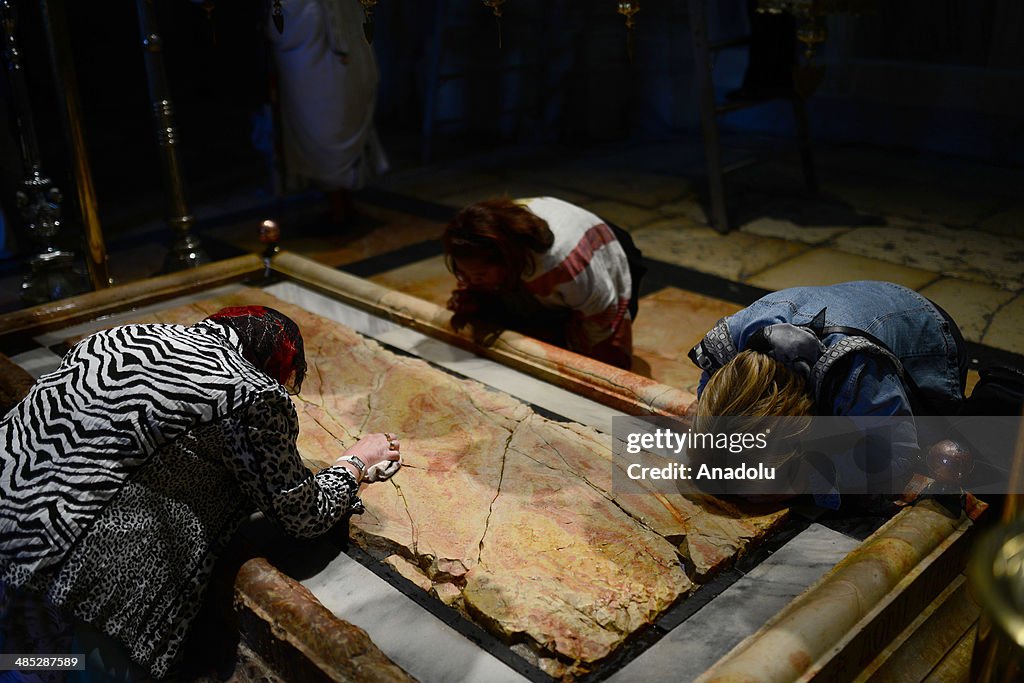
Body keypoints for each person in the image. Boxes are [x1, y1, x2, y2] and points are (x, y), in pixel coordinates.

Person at [0, 306, 401, 680]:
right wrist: (355, 463)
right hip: (69, 587)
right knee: (60, 671)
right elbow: (302, 512)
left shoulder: (115, 338)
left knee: (10, 666)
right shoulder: (251, 391)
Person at [687, 280, 968, 506]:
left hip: (924, 328)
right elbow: (711, 407)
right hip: (856, 300)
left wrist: (806, 482)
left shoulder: (854, 370)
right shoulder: (725, 349)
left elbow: (899, 455)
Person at [442, 196, 647, 370]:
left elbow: (602, 321)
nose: (471, 281)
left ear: (507, 260)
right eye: (464, 273)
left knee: (591, 359)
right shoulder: (484, 235)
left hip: (612, 253)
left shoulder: (564, 265)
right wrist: (475, 292)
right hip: (537, 266)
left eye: (480, 274)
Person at [265, 0, 389, 224]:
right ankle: (340, 204)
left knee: (328, 128)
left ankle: (341, 206)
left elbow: (284, 30)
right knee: (330, 127)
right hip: (334, 57)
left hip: (325, 62)